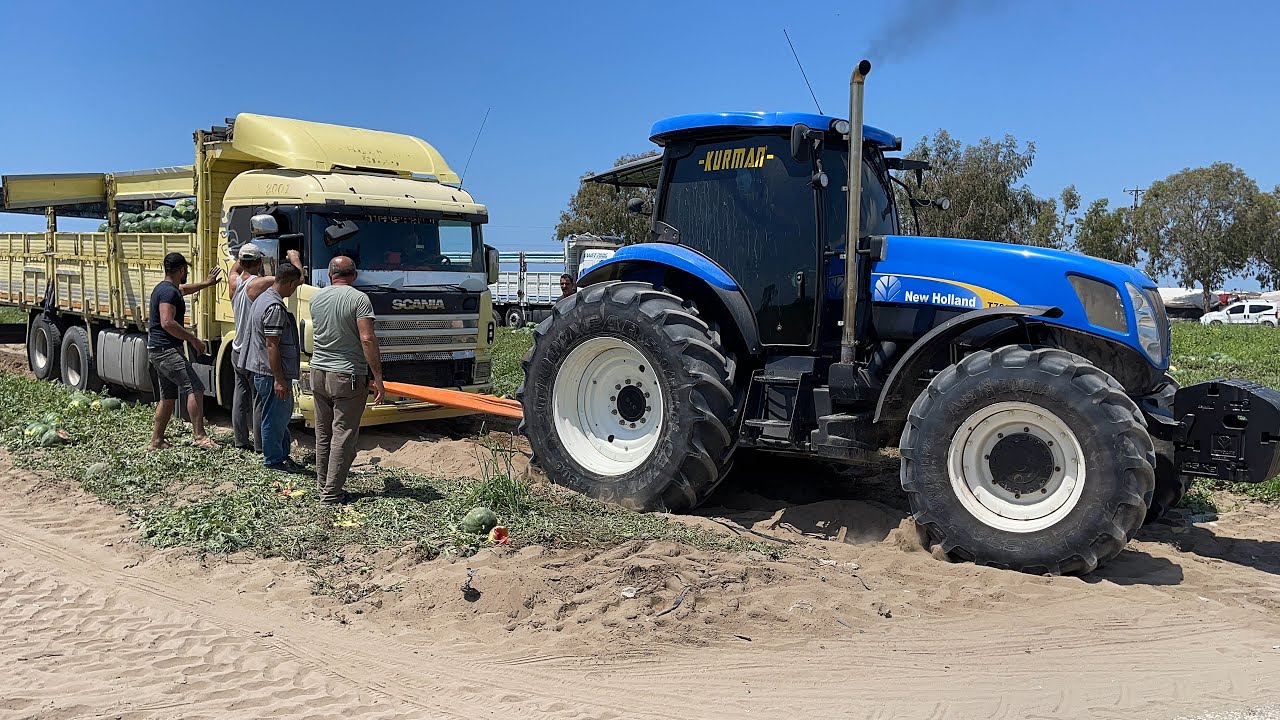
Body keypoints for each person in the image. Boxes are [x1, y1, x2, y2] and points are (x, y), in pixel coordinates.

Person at [310, 256, 385, 504]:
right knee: (343, 435)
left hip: (318, 373)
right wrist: (377, 378)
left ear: (331, 275)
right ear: (354, 275)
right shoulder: (359, 299)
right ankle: (332, 494)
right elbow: (367, 339)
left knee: (324, 434)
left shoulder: (317, 298)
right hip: (347, 375)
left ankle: (324, 485)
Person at [227, 222, 303, 452]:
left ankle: (240, 440)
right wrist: (294, 258)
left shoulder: (234, 282)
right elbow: (293, 279)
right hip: (253, 349)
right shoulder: (257, 285)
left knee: (240, 397)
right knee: (261, 400)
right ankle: (262, 445)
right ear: (260, 262)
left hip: (236, 346)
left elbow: (233, 269)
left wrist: (242, 258)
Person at [148, 252, 222, 450]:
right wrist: (193, 339)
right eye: (186, 269)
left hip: (158, 349)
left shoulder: (166, 289)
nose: (187, 272)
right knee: (195, 387)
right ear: (181, 270)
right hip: (166, 350)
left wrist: (207, 284)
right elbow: (167, 322)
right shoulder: (168, 293)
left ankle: (156, 440)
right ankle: (200, 436)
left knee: (168, 397)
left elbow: (184, 289)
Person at [241, 262, 306, 472]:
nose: (294, 290)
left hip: (264, 371)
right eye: (295, 285)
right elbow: (272, 346)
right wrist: (279, 379)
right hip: (270, 374)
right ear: (289, 283)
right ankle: (274, 461)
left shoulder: (263, 298)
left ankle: (281, 455)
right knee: (274, 417)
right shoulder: (274, 307)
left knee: (280, 417)